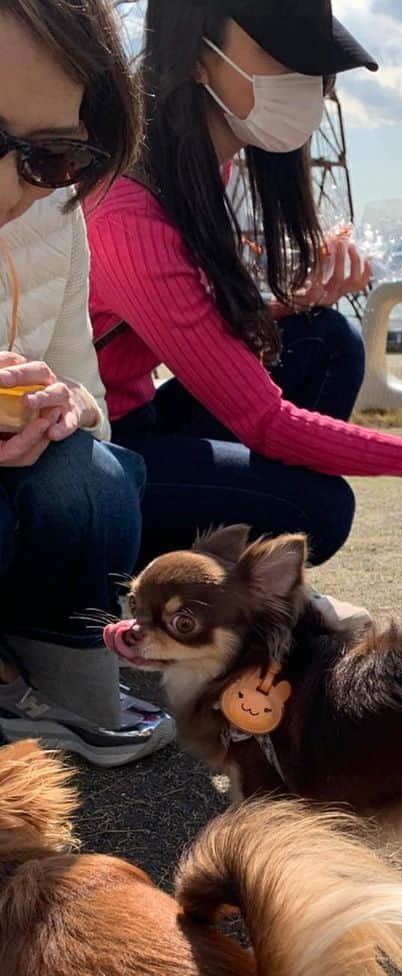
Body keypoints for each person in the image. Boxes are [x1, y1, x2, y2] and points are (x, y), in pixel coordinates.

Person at [88, 0, 402, 568]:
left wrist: (290, 304)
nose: (305, 83)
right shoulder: (126, 213)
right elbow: (262, 420)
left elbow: (196, 324)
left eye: (314, 66)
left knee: (324, 339)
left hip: (143, 423)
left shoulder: (203, 169)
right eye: (278, 56)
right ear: (195, 57)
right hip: (101, 456)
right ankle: (184, 594)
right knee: (318, 510)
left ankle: (250, 596)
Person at [0, 0, 174, 765]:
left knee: (96, 472)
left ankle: (64, 685)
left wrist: (70, 403)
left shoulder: (60, 217)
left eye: (50, 154)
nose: (13, 188)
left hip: (32, 500)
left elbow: (91, 392)